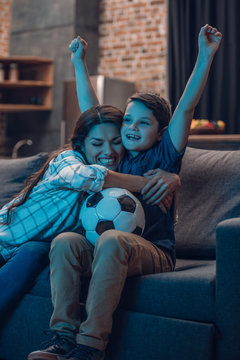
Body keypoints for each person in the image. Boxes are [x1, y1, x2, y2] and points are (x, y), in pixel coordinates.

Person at [28, 24, 222, 360]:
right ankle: (62, 339)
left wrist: (205, 56)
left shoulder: (164, 156)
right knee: (65, 242)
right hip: (106, 249)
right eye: (128, 121)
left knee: (112, 239)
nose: (131, 128)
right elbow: (94, 112)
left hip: (154, 252)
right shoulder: (114, 154)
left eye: (143, 123)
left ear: (162, 132)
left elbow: (187, 108)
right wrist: (78, 63)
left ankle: (90, 346)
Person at [0, 105, 177, 319]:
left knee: (36, 250)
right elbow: (81, 177)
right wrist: (145, 183)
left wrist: (173, 179)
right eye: (97, 143)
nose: (108, 151)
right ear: (80, 145)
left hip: (25, 249)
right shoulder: (67, 160)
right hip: (4, 239)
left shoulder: (118, 178)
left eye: (116, 142)